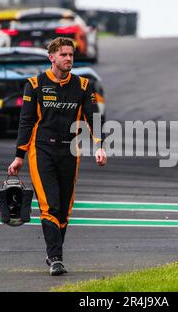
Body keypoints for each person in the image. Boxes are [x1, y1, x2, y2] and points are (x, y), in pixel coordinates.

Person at [7, 37, 107, 276]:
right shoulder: (35, 85)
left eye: (71, 55)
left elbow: (93, 117)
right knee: (50, 205)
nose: (69, 59)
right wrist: (19, 156)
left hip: (70, 152)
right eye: (64, 55)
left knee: (64, 209)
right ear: (51, 57)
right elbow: (26, 122)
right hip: (41, 151)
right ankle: (55, 258)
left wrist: (99, 146)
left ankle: (54, 252)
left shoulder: (83, 86)